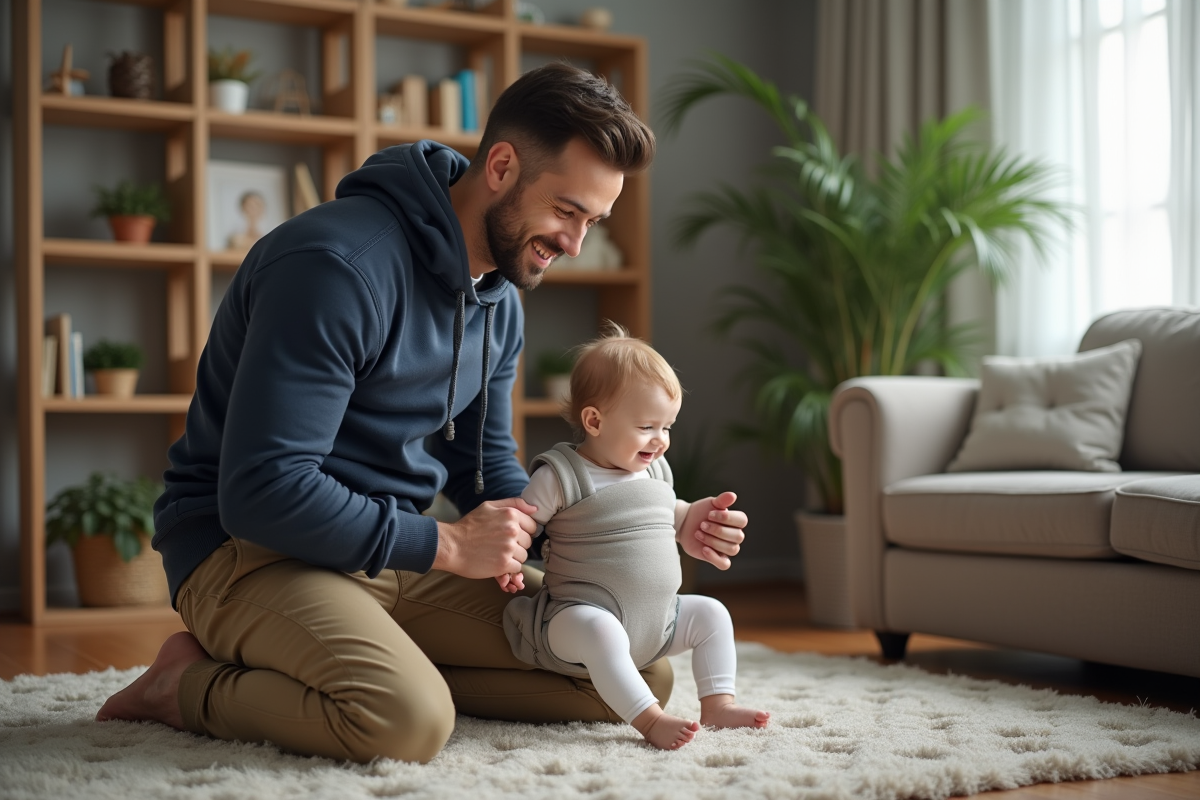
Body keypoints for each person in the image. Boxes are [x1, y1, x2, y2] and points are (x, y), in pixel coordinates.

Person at [93, 62, 751, 764]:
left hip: (401, 553)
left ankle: (379, 662)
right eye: (566, 210)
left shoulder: (500, 299)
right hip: (250, 553)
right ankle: (180, 684)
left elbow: (485, 468)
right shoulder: (336, 267)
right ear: (500, 166)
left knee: (629, 666)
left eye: (593, 219)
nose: (575, 243)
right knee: (405, 724)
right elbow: (261, 491)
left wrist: (639, 525)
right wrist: (446, 547)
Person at [502, 326, 770, 750]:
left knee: (712, 613)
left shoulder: (655, 471)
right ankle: (648, 720)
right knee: (602, 632)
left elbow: (668, 515)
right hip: (577, 619)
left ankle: (718, 703)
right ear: (594, 421)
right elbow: (520, 525)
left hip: (656, 622)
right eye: (647, 426)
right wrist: (510, 563)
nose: (661, 440)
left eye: (667, 427)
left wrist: (690, 518)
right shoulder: (561, 475)